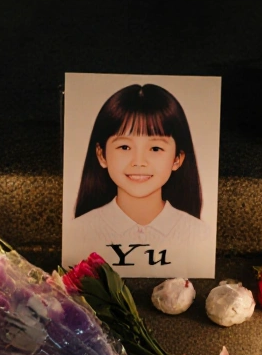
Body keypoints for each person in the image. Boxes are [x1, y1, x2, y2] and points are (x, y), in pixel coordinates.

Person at [69, 83, 212, 277]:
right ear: (101, 155)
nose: (138, 162)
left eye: (155, 148)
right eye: (124, 147)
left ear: (177, 159)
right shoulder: (77, 232)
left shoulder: (200, 235)